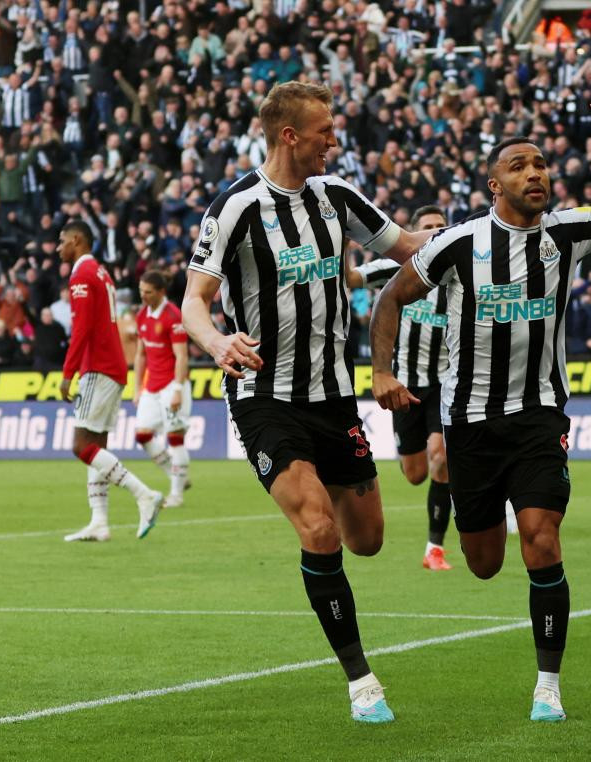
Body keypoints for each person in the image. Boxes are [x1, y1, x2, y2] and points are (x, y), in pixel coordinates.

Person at [369, 78, 591, 723]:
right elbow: (390, 298)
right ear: (493, 187)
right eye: (519, 166)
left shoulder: (568, 233)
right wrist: (382, 371)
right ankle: (480, 538)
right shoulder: (453, 246)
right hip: (471, 424)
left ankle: (548, 687)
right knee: (483, 563)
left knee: (542, 538)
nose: (536, 173)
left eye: (540, 163)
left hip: (539, 417)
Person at [179, 81, 432, 725]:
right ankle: (360, 680)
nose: (334, 139)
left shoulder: (336, 197)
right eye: (325, 129)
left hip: (333, 397)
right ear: (290, 134)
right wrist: (215, 341)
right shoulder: (234, 206)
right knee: (318, 528)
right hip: (265, 395)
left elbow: (410, 246)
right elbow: (194, 301)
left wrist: (493, 238)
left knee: (367, 540)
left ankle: (333, 584)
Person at [59, 220, 164, 542]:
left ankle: (144, 494)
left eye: (62, 240)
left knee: (80, 445)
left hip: (98, 366)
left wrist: (68, 373)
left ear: (77, 240)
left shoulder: (81, 275)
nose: (59, 247)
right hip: (113, 364)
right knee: (97, 445)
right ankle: (99, 522)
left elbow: (82, 328)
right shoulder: (101, 273)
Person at [382, 205, 455, 570]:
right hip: (404, 387)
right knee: (415, 475)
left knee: (440, 456)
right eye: (427, 227)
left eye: (441, 226)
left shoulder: (461, 273)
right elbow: (350, 279)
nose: (436, 233)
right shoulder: (394, 271)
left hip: (445, 383)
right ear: (414, 233)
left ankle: (434, 549)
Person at [133, 270, 191, 508]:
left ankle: (176, 494)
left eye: (147, 292)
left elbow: (181, 356)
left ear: (160, 292)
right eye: (141, 291)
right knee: (142, 435)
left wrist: (177, 388)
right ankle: (177, 475)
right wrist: (137, 388)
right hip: (152, 386)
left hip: (171, 386)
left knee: (175, 438)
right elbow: (140, 354)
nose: (143, 296)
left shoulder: (173, 316)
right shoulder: (141, 315)